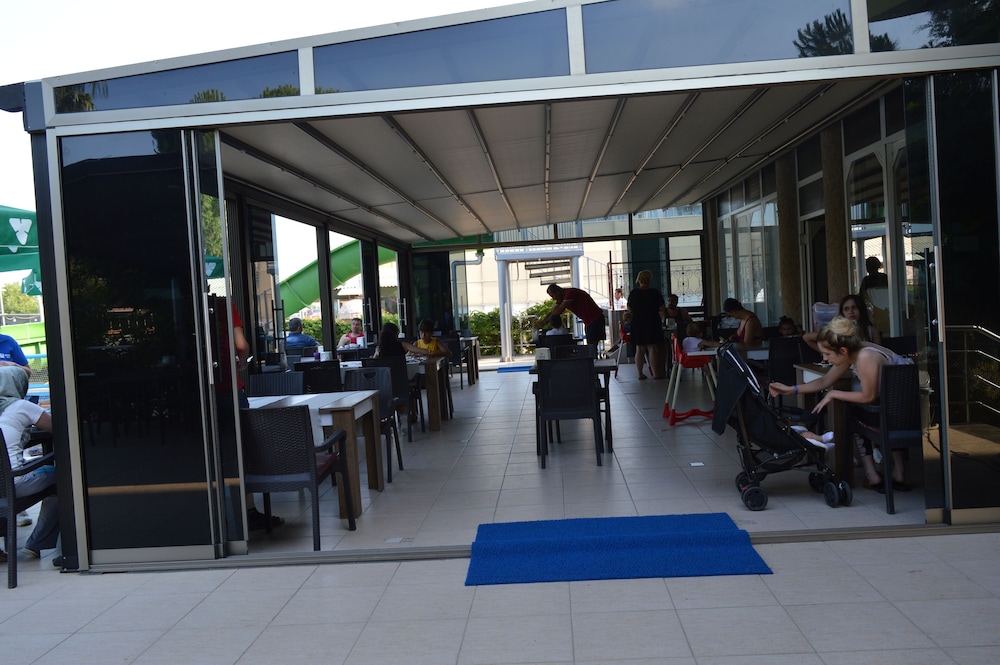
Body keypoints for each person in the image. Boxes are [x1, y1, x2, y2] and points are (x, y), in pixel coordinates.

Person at [768, 315, 913, 493]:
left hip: (895, 417)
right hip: (904, 413)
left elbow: (868, 396)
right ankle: (899, 471)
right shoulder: (857, 350)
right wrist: (792, 389)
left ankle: (871, 474)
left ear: (842, 350)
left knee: (850, 413)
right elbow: (825, 381)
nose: (825, 358)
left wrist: (834, 394)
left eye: (827, 354)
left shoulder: (865, 357)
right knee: (863, 409)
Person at [0, 366, 56, 563]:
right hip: (12, 485)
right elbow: (58, 426)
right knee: (63, 476)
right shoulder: (21, 406)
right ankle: (35, 545)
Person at [627, 270, 667, 380]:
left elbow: (629, 308)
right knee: (652, 348)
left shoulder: (634, 293)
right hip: (652, 321)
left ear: (639, 280)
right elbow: (662, 307)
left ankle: (640, 374)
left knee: (640, 349)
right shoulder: (655, 293)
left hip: (638, 322)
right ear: (650, 280)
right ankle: (656, 374)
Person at [804, 294, 881, 350]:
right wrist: (827, 353)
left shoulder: (872, 331)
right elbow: (807, 337)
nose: (851, 312)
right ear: (842, 313)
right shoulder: (837, 330)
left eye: (854, 307)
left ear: (861, 309)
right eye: (846, 309)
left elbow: (880, 353)